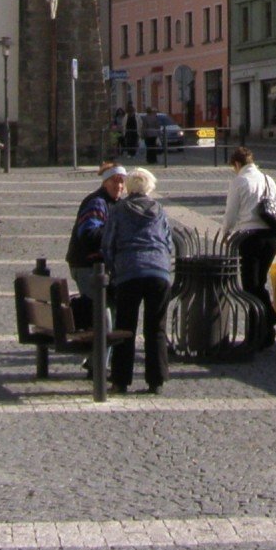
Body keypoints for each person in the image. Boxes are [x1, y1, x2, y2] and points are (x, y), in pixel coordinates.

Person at [100, 166, 175, 394]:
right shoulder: (159, 209)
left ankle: (121, 380)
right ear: (149, 188)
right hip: (159, 272)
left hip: (129, 272)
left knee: (125, 327)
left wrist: (114, 269)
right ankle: (156, 381)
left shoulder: (120, 210)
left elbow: (108, 243)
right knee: (156, 328)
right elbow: (168, 241)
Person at [221, 146, 276, 348]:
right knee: (259, 284)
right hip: (271, 236)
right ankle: (266, 332)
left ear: (237, 164)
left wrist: (225, 233)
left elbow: (231, 214)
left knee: (250, 287)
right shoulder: (268, 179)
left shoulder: (239, 181)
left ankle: (261, 327)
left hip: (250, 239)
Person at [64, 163, 127, 333]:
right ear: (105, 182)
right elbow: (88, 235)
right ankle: (98, 358)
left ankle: (100, 358)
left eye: (122, 182)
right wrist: (117, 236)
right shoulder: (97, 203)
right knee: (103, 316)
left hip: (100, 268)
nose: (119, 186)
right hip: (87, 266)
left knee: (110, 314)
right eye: (114, 182)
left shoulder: (116, 203)